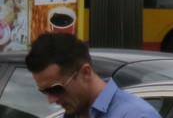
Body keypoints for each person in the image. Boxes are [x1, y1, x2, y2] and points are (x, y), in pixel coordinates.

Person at [26, 33, 161, 118]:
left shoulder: (136, 115)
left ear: (85, 73)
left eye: (56, 89)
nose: (51, 100)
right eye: (44, 91)